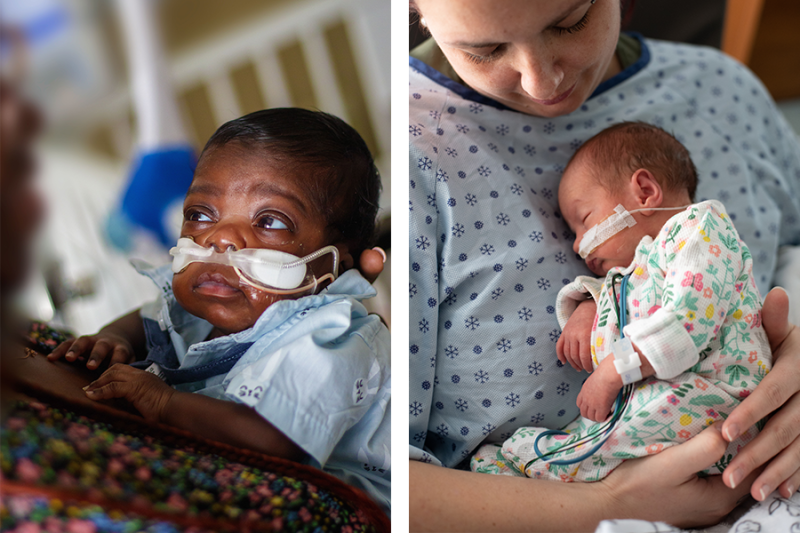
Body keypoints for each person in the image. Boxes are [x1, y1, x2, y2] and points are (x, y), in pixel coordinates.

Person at [408, 0, 800, 529]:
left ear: (643, 189)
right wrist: (607, 506)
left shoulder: (722, 92)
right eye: (484, 50)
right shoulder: (417, 159)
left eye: (570, 22)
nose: (541, 83)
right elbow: (382, 484)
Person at [49, 108, 391, 511]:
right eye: (200, 214)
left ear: (339, 266)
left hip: (341, 502)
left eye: (271, 221)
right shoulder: (206, 302)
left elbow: (270, 440)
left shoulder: (333, 336)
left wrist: (164, 403)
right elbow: (150, 317)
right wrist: (114, 338)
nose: (219, 238)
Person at [471, 122, 771, 481]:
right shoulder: (643, 263)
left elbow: (685, 322)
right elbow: (629, 296)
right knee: (615, 430)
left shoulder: (701, 230)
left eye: (585, 220)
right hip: (682, 400)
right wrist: (588, 307)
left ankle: (544, 468)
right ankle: (545, 462)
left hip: (721, 399)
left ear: (644, 192)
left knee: (611, 437)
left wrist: (614, 371)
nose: (577, 245)